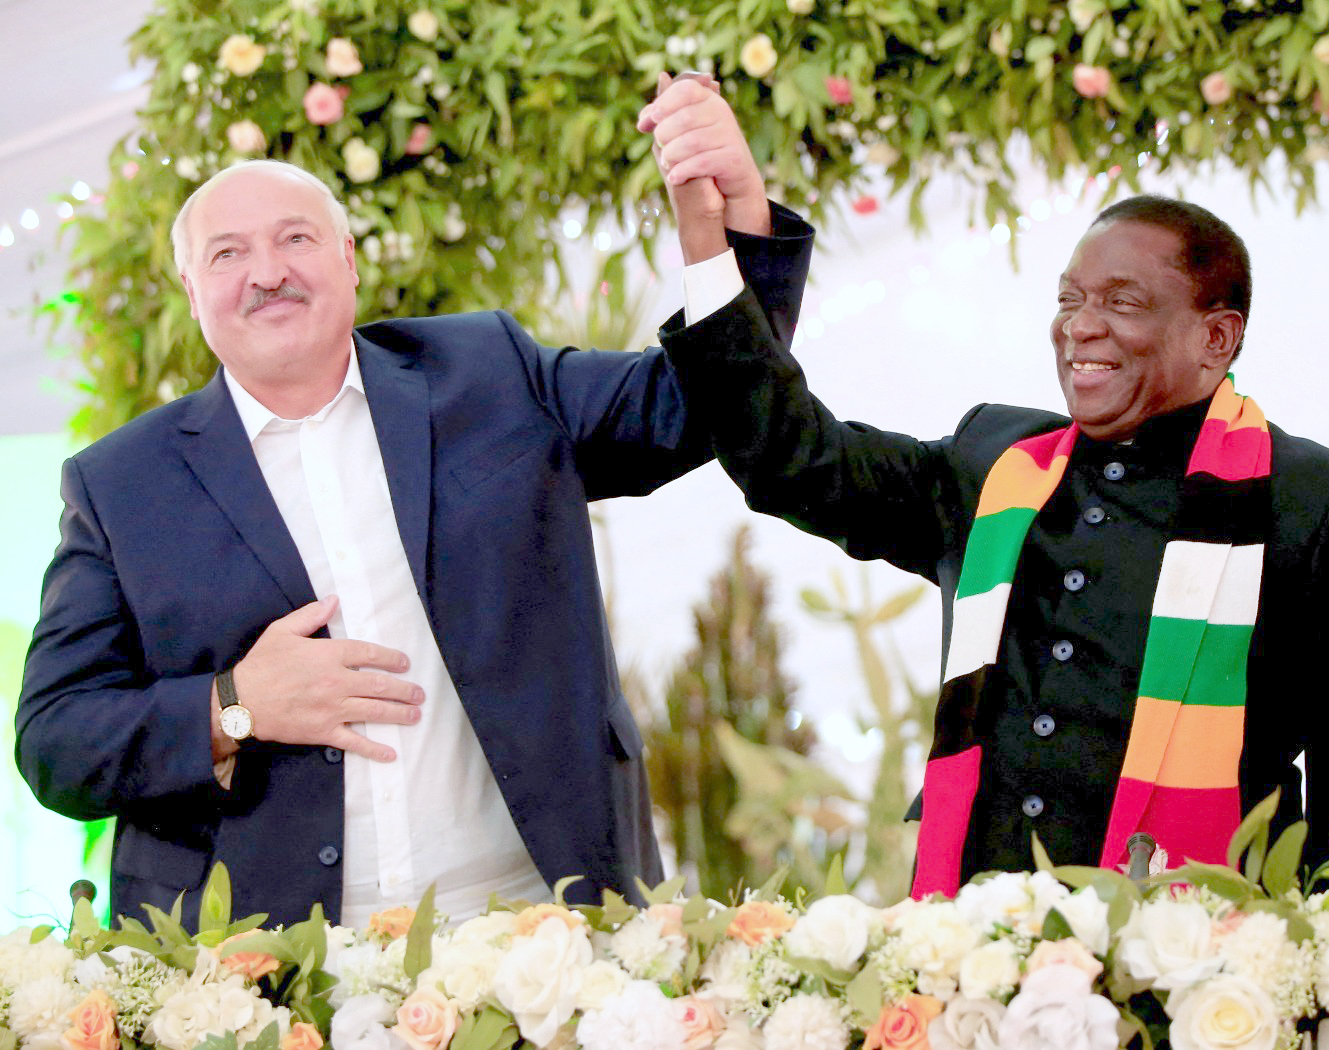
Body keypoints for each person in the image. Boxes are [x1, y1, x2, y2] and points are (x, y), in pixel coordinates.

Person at [16, 92, 813, 927]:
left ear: (349, 260)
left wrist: (733, 224)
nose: (267, 272)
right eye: (228, 253)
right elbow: (56, 741)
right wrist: (233, 707)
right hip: (267, 959)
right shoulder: (119, 484)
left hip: (541, 925)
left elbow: (698, 407)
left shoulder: (490, 371)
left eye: (296, 239)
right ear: (191, 291)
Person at [640, 84, 1329, 896]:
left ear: (1217, 338)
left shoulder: (1314, 502)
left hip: (1197, 953)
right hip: (970, 942)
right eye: (1069, 299)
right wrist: (711, 240)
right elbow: (793, 457)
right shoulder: (993, 463)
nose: (1080, 325)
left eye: (1122, 303)